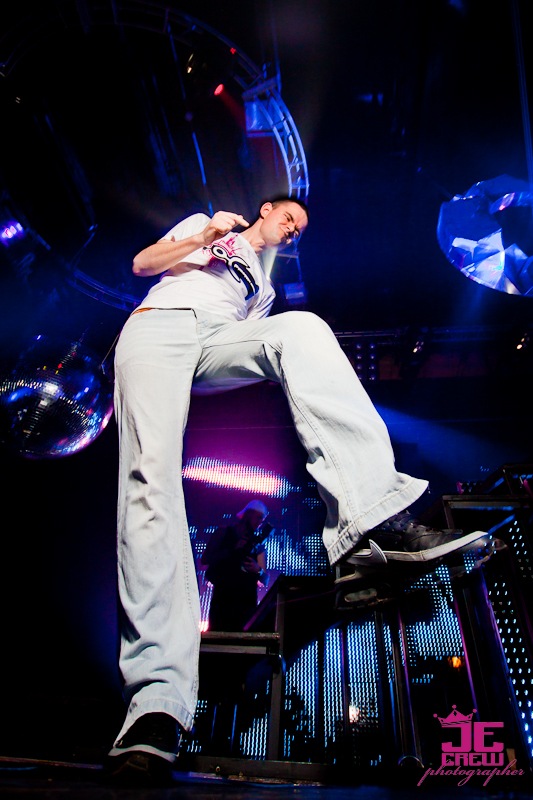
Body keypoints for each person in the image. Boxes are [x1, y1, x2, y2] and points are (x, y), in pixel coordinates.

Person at [107, 194, 490, 784]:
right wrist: (205, 238)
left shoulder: (262, 287)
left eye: (300, 229)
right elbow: (144, 264)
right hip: (159, 327)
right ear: (265, 210)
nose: (292, 230)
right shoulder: (209, 225)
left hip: (217, 337)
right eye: (289, 218)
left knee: (303, 328)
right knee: (149, 479)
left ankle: (372, 523)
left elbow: (255, 340)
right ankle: (156, 705)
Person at [201, 499, 271, 632]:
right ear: (248, 515)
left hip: (246, 605)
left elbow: (265, 580)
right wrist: (232, 550)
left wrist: (258, 570)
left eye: (262, 520)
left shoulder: (258, 544)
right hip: (222, 602)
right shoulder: (223, 533)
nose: (259, 523)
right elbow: (205, 559)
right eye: (258, 518)